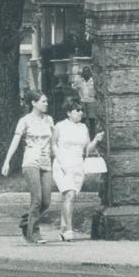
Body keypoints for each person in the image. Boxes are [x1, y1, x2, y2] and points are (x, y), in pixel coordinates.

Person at [0, 90, 55, 244]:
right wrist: (7, 161)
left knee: (46, 201)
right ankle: (33, 233)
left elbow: (53, 143)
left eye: (46, 101)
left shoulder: (49, 119)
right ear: (34, 103)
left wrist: (60, 159)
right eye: (43, 101)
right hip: (31, 161)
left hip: (46, 162)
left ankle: (27, 221)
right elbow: (15, 141)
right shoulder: (25, 121)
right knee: (37, 199)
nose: (46, 104)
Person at [51, 97, 105, 242]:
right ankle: (69, 229)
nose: (81, 113)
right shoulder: (60, 126)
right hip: (62, 165)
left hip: (77, 165)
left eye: (81, 110)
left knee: (71, 197)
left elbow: (87, 149)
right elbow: (53, 144)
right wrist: (60, 161)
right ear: (69, 112)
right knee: (69, 194)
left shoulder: (83, 128)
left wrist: (96, 140)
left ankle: (63, 228)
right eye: (77, 110)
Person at [76, 65, 98, 137]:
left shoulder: (93, 80)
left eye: (87, 72)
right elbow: (75, 88)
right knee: (82, 119)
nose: (85, 73)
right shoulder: (79, 81)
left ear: (89, 72)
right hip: (82, 101)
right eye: (84, 72)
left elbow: (98, 89)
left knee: (92, 119)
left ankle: (92, 135)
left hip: (91, 101)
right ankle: (82, 135)